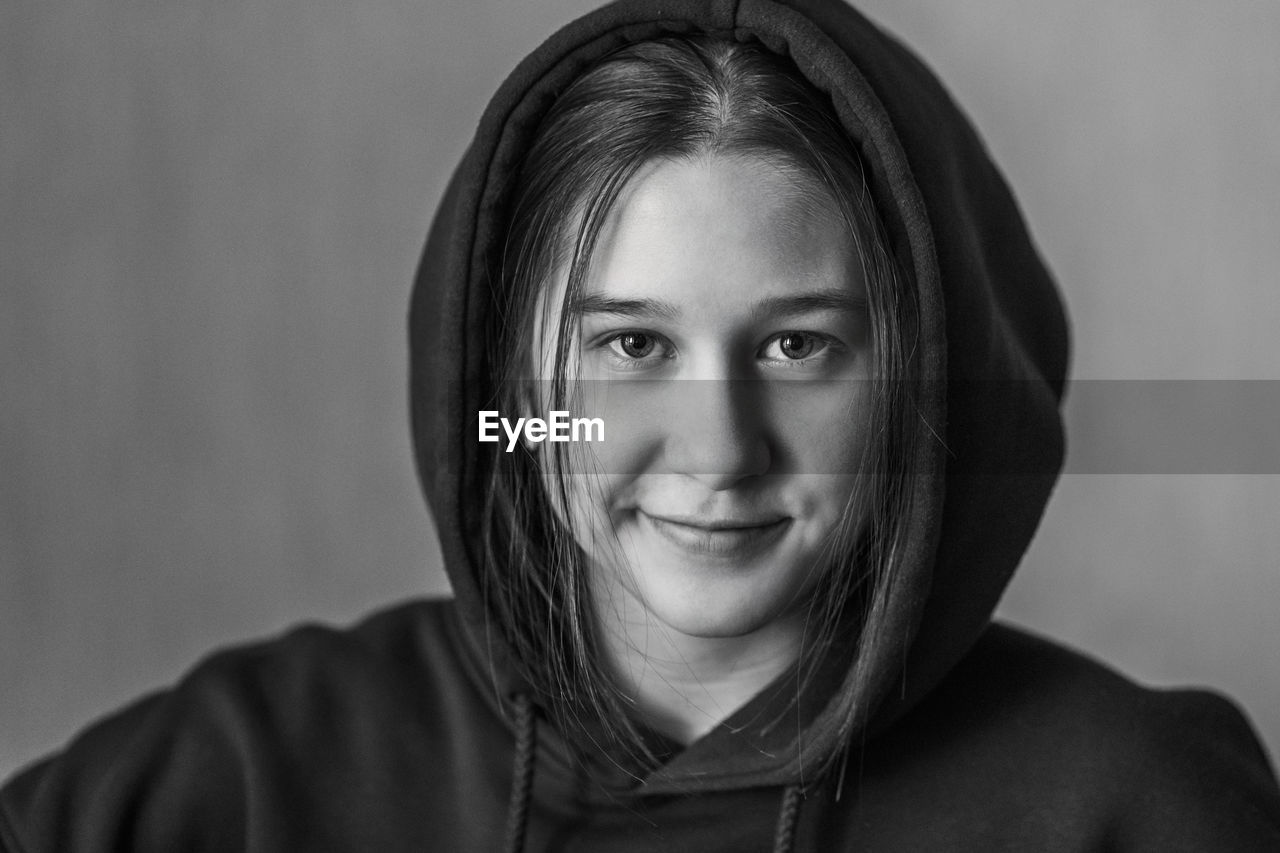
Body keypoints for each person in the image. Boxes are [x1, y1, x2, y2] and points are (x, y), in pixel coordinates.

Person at [3, 1, 1279, 851]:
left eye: (796, 346)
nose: (718, 448)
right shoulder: (251, 773)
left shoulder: (1134, 805)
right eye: (629, 346)